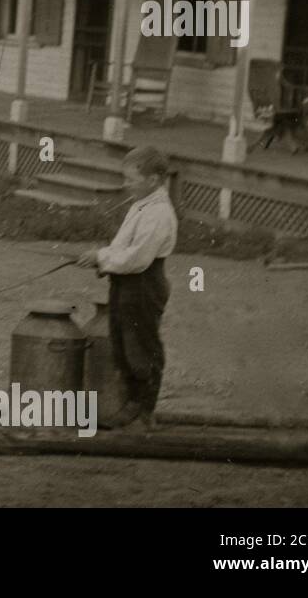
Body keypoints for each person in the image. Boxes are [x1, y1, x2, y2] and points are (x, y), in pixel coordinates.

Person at [76, 146, 177, 430]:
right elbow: (122, 247)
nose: (126, 184)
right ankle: (132, 403)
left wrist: (102, 257)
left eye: (131, 179)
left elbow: (138, 257)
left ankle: (144, 410)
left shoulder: (159, 214)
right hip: (125, 282)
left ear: (153, 180)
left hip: (144, 285)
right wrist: (98, 257)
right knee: (121, 344)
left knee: (142, 347)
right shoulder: (140, 205)